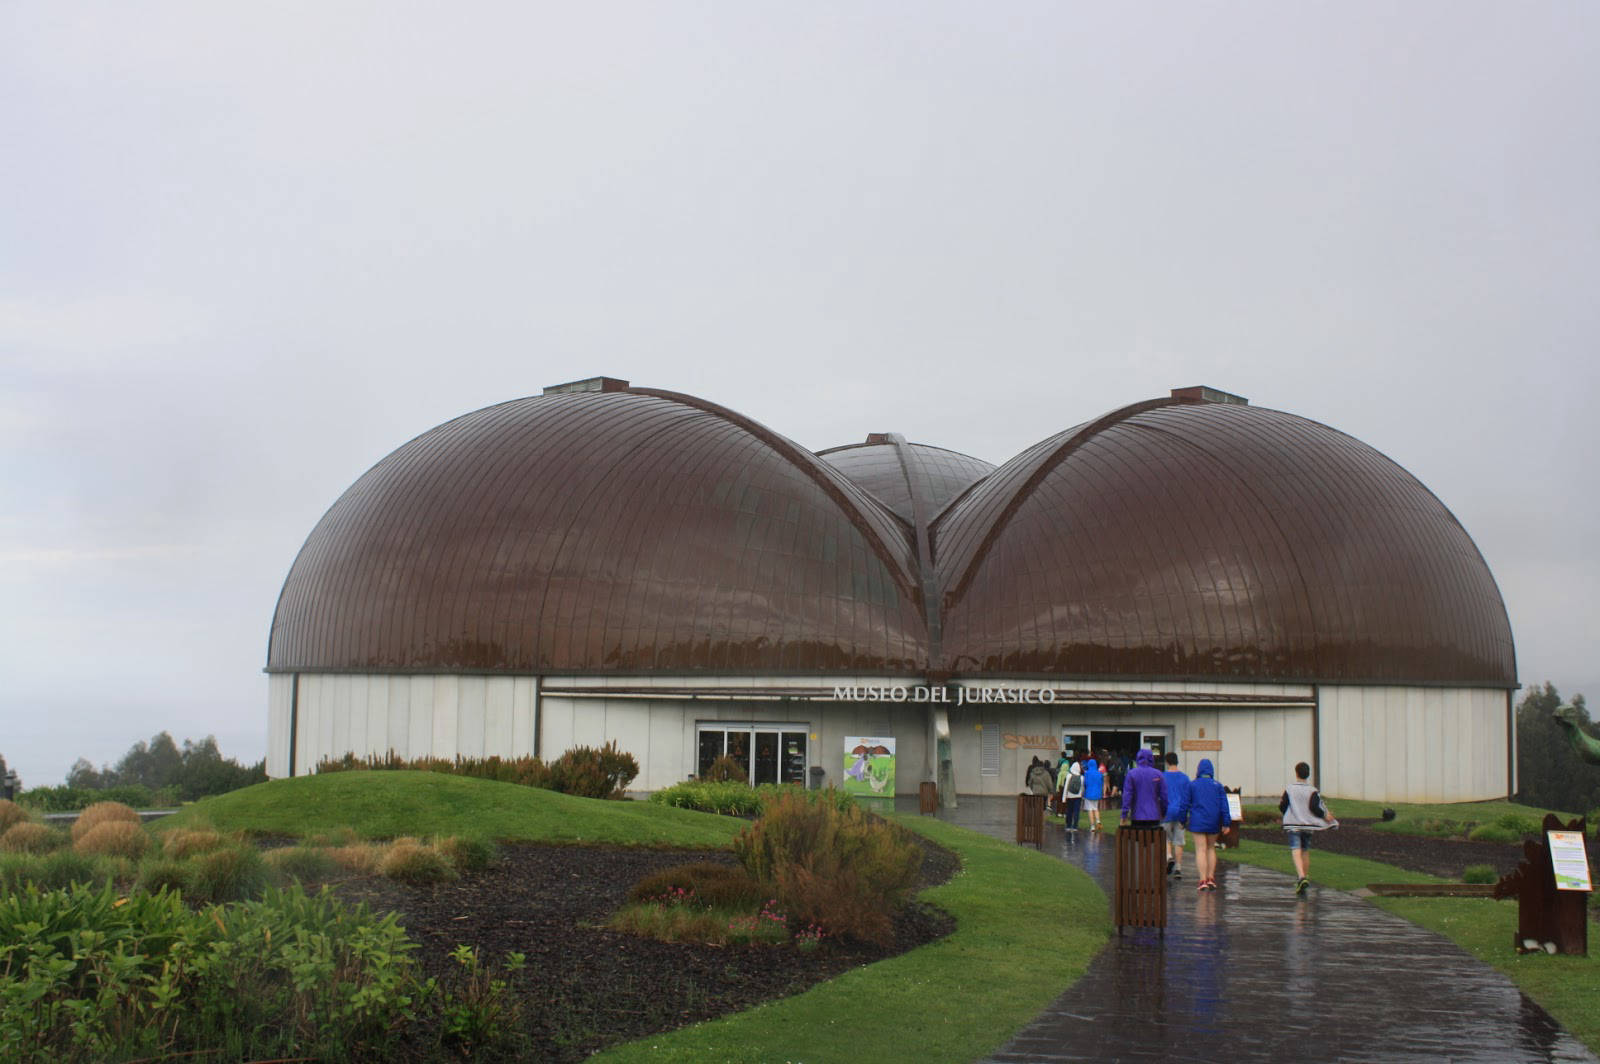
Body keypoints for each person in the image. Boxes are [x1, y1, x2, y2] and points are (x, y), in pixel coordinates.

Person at [1279, 760, 1338, 893]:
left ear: (1296, 773)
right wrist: (1325, 815)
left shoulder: (1290, 788)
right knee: (1305, 850)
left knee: (1296, 849)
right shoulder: (1312, 790)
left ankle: (1301, 877)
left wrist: (1287, 813)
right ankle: (1304, 877)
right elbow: (1315, 807)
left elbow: (1283, 806)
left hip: (1293, 823)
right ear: (1308, 774)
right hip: (1308, 824)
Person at [1187, 758, 1231, 892]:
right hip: (1214, 821)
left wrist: (1183, 819)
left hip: (1198, 821)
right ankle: (1211, 878)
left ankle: (1202, 880)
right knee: (1211, 848)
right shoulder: (1217, 785)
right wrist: (1226, 823)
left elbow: (1186, 803)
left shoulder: (1192, 785)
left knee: (1201, 849)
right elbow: (1224, 805)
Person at [1119, 748, 1168, 829]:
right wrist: (1163, 812)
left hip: (1137, 815)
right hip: (1154, 815)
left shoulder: (1132, 774)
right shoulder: (1158, 774)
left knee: (1138, 839)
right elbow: (1164, 796)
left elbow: (1127, 796)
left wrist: (1124, 814)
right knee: (1153, 840)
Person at [1161, 752, 1192, 878]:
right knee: (1179, 841)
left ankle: (1169, 857)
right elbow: (1188, 796)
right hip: (1180, 812)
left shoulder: (1162, 777)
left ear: (1167, 762)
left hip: (1166, 812)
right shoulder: (1185, 778)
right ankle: (1178, 868)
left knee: (1166, 838)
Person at [1061, 759, 1085, 832]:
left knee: (1069, 811)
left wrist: (1064, 798)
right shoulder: (1082, 777)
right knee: (1076, 812)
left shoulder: (1069, 776)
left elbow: (1066, 787)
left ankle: (1068, 826)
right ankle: (1075, 826)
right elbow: (1082, 788)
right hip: (1078, 797)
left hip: (1069, 796)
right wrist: (1082, 796)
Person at [1082, 756, 1104, 831]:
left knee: (1090, 809)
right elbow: (1101, 783)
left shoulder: (1087, 773)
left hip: (1089, 793)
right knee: (1096, 808)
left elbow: (1085, 783)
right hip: (1097, 793)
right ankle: (1098, 821)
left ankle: (1092, 826)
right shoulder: (1099, 773)